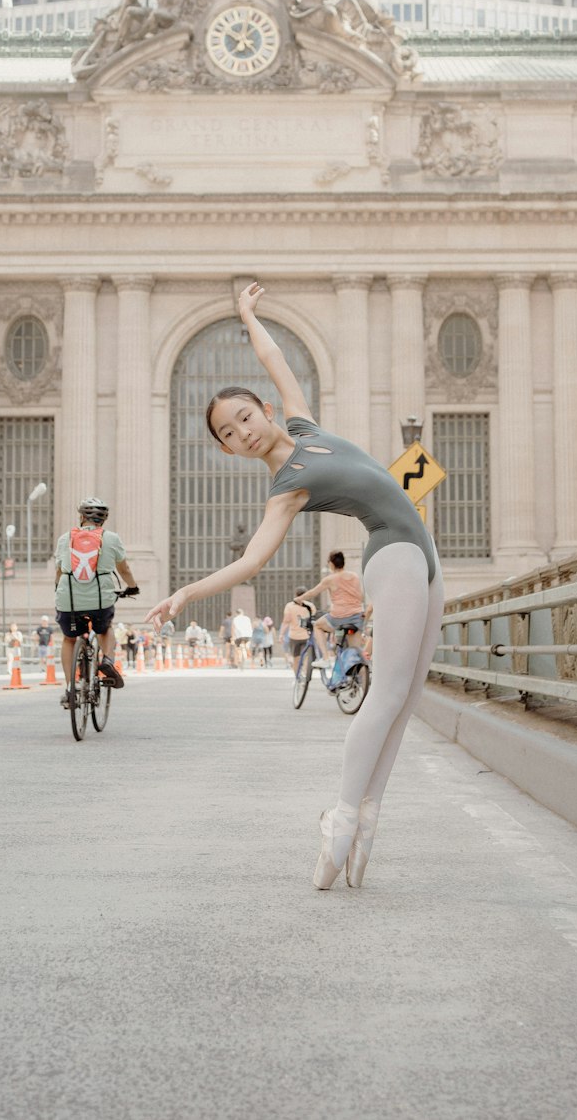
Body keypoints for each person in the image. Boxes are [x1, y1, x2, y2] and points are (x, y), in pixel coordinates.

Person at [146, 281, 444, 891]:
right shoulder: (286, 487)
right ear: (230, 450)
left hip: (428, 556)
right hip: (395, 555)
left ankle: (368, 818)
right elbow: (251, 563)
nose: (242, 433)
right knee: (385, 698)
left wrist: (247, 314)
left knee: (406, 703)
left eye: (245, 418)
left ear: (267, 413)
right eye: (228, 434)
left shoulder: (307, 427)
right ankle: (340, 817)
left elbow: (275, 361)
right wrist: (187, 593)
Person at [53, 496, 138, 704]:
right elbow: (124, 569)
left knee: (69, 639)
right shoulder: (111, 539)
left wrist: (59, 589)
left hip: (69, 599)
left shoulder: (65, 539)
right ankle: (108, 660)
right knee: (104, 628)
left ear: (81, 517)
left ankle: (70, 688)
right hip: (100, 600)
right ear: (104, 519)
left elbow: (58, 570)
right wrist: (133, 587)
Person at [297, 551, 366, 666]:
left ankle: (325, 658)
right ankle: (360, 678)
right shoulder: (354, 576)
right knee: (355, 650)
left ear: (332, 564)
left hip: (339, 617)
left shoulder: (330, 579)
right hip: (357, 616)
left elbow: (313, 592)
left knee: (317, 625)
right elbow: (361, 596)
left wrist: (299, 599)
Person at [279, 587, 315, 668]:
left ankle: (297, 678)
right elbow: (314, 620)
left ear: (296, 595)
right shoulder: (310, 606)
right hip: (307, 635)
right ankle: (305, 674)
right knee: (306, 656)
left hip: (294, 636)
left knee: (296, 658)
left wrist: (281, 635)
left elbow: (286, 622)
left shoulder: (289, 606)